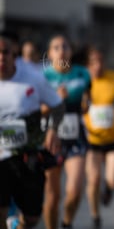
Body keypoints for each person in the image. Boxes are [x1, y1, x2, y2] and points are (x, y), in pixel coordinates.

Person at [0, 35, 65, 229]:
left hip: (28, 156)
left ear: (14, 55)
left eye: (5, 52)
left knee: (32, 217)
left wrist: (53, 129)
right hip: (1, 157)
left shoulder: (33, 79)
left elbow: (58, 105)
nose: (1, 57)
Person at [42, 34, 91, 229]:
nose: (61, 50)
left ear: (70, 51)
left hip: (75, 137)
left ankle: (67, 222)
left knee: (75, 191)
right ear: (50, 53)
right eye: (56, 47)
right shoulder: (43, 76)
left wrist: (86, 104)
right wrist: (56, 99)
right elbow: (37, 109)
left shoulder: (82, 73)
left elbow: (87, 100)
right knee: (53, 198)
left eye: (65, 46)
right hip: (50, 137)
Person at [83, 47, 114, 229]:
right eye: (93, 63)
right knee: (93, 181)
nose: (98, 66)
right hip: (92, 141)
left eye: (101, 61)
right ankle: (95, 216)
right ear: (87, 65)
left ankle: (108, 189)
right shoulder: (83, 81)